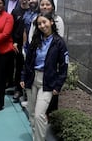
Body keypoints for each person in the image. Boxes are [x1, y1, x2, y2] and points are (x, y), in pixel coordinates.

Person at [20, 12, 68, 141]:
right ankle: (36, 137)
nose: (42, 25)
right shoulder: (35, 41)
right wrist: (23, 77)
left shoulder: (59, 42)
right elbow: (28, 61)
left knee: (39, 115)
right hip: (31, 79)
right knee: (32, 113)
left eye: (44, 22)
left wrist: (58, 86)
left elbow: (64, 67)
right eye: (39, 24)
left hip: (47, 82)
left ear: (51, 22)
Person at [10, 0, 30, 102]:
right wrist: (14, 42)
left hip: (31, 45)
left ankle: (28, 90)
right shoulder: (15, 12)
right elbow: (12, 29)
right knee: (18, 67)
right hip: (18, 45)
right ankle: (18, 89)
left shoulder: (33, 12)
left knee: (29, 67)